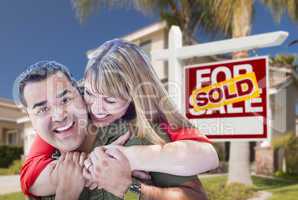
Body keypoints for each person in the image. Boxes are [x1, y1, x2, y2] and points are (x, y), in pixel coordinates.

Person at [16, 40, 218, 199]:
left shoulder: (143, 132)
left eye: (110, 100)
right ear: (81, 89)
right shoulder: (53, 146)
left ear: (133, 99)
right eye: (90, 93)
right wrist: (76, 180)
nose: (96, 108)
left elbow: (206, 157)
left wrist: (128, 179)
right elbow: (28, 178)